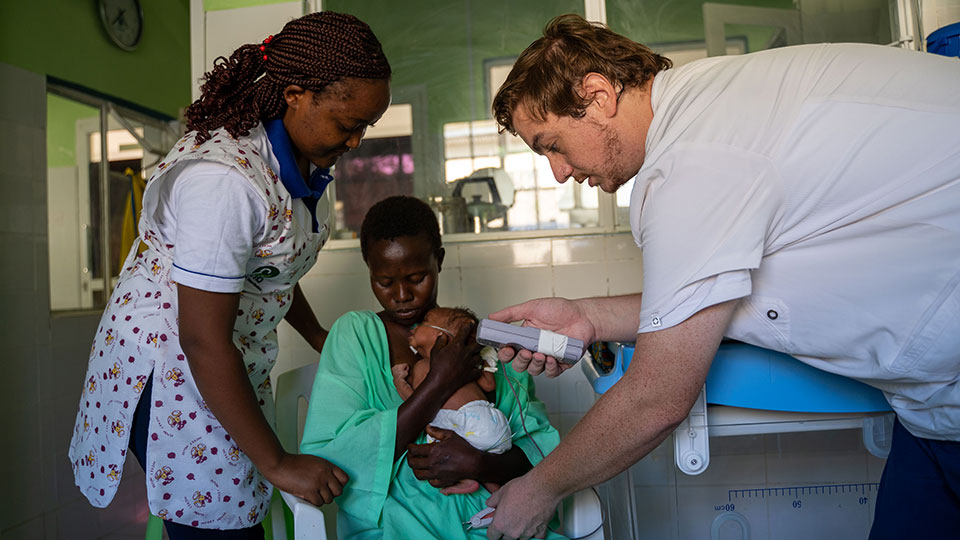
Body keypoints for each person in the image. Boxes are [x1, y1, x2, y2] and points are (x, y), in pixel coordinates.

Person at [483, 13, 960, 540]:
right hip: (935, 413)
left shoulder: (693, 161)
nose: (558, 171)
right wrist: (586, 317)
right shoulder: (709, 106)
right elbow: (712, 292)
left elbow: (656, 399)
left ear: (598, 96)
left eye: (551, 144)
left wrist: (539, 489)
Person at [67, 11, 392, 537]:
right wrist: (280, 463)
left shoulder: (301, 161)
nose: (356, 141)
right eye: (347, 123)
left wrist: (319, 338)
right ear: (295, 95)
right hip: (173, 360)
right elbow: (201, 338)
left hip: (219, 352)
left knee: (240, 504)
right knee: (218, 514)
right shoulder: (224, 181)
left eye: (365, 126)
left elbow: (271, 267)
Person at [299, 196, 567, 539]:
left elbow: (539, 454)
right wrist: (438, 383)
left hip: (490, 520)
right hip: (395, 526)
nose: (401, 295)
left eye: (417, 277)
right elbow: (333, 453)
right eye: (383, 281)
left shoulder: (481, 342)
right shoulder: (356, 335)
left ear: (438, 260)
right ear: (368, 269)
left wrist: (478, 463)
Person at [392, 306, 512, 495]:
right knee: (479, 459)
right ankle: (496, 492)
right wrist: (485, 362)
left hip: (463, 423)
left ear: (442, 336)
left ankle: (465, 480)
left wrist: (398, 380)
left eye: (423, 323)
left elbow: (415, 404)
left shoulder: (423, 366)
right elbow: (489, 385)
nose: (414, 326)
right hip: (492, 423)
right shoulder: (470, 367)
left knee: (435, 443)